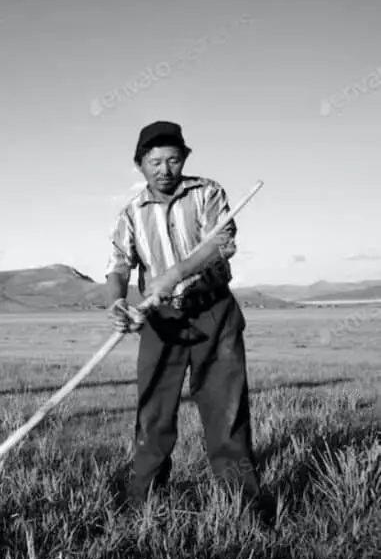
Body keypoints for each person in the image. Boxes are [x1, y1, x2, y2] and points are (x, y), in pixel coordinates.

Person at [104, 121, 273, 524]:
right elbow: (118, 266)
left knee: (225, 411)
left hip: (213, 310)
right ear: (140, 164)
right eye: (155, 161)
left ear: (185, 160)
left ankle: (242, 510)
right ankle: (142, 508)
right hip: (160, 321)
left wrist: (175, 273)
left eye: (173, 159)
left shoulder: (208, 192)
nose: (164, 169)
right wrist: (116, 303)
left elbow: (221, 242)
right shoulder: (130, 213)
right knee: (153, 414)